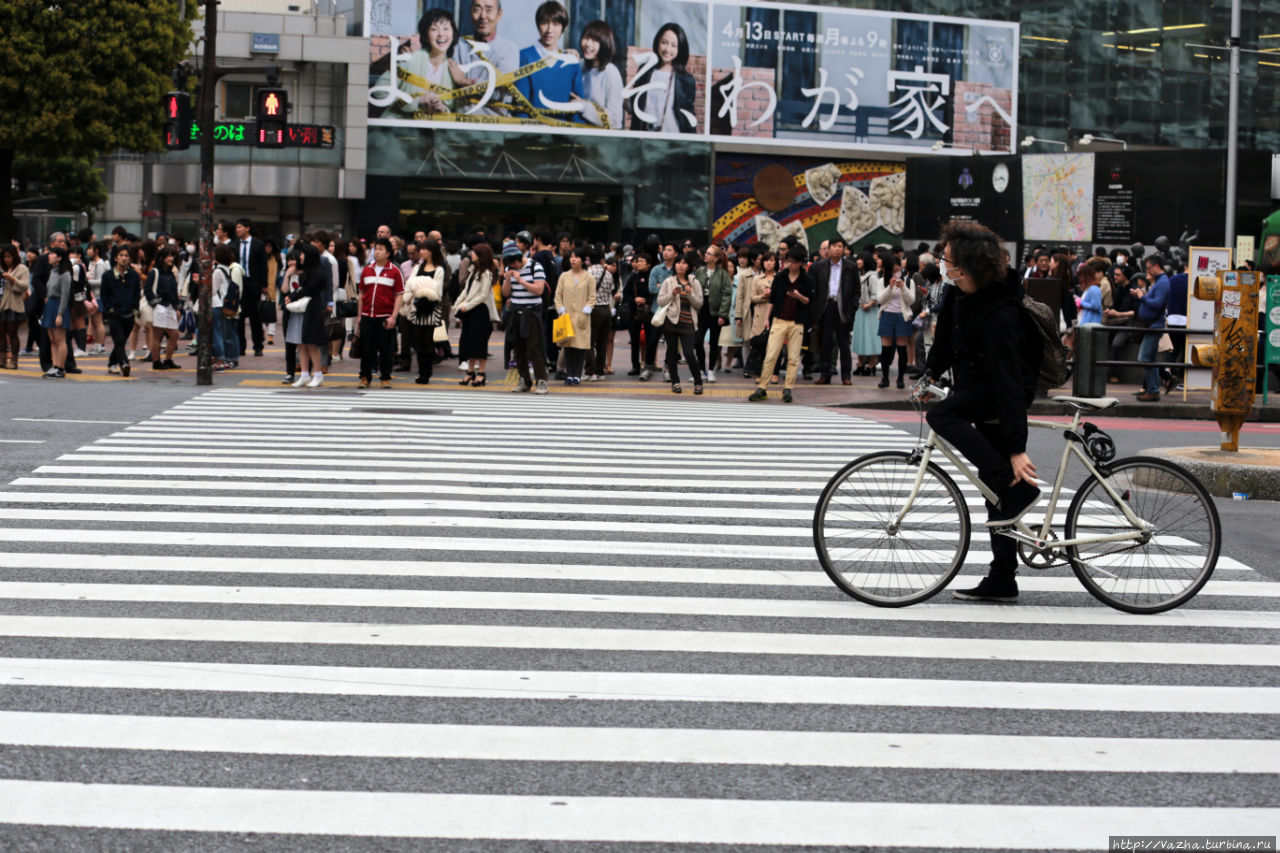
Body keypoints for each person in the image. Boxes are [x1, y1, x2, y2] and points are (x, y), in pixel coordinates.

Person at [924, 220, 1041, 603]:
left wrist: (1016, 447)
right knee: (995, 492)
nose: (944, 264)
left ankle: (1015, 482)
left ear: (970, 266)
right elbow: (945, 340)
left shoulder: (1000, 313)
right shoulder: (959, 294)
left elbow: (1009, 383)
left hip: (1001, 390)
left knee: (942, 416)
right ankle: (1003, 578)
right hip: (978, 385)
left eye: (950, 260)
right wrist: (928, 375)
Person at [372, 8, 473, 117]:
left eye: (446, 28)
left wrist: (442, 109)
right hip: (398, 129)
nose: (441, 34)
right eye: (434, 29)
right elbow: (379, 92)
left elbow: (455, 108)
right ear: (426, 34)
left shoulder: (453, 70)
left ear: (453, 34)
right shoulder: (409, 60)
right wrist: (416, 101)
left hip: (430, 131)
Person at [747, 246, 813, 403]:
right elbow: (773, 300)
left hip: (797, 323)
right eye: (788, 261)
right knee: (771, 355)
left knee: (793, 358)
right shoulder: (781, 277)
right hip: (778, 320)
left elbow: (809, 300)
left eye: (794, 262)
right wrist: (767, 319)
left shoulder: (806, 279)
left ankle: (788, 389)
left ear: (801, 263)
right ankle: (762, 388)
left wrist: (798, 296)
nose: (791, 264)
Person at [515, 1, 585, 121]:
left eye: (556, 24)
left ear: (564, 27)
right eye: (544, 23)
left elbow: (577, 108)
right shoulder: (524, 56)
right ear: (538, 25)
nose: (549, 29)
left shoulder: (571, 62)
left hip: (564, 133)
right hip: (532, 131)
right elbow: (520, 105)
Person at [627, 23, 696, 133]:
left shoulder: (685, 80)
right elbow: (635, 105)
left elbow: (688, 116)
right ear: (658, 42)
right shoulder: (645, 71)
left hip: (673, 140)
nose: (667, 49)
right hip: (645, 138)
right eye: (664, 43)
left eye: (674, 45)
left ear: (680, 49)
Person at [809, 236, 859, 385]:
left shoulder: (851, 267)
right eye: (834, 246)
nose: (837, 249)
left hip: (843, 307)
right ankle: (825, 374)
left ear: (843, 249)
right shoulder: (820, 266)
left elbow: (857, 290)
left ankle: (846, 376)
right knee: (825, 343)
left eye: (840, 246)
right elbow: (814, 290)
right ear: (828, 248)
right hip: (826, 307)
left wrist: (853, 307)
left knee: (844, 343)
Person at [356, 237, 404, 389]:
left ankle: (385, 377)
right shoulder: (367, 269)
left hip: (385, 316)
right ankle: (365, 377)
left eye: (380, 249)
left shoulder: (395, 271)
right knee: (366, 349)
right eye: (375, 249)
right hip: (367, 316)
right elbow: (361, 294)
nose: (376, 252)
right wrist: (359, 316)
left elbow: (399, 295)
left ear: (388, 253)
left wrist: (394, 316)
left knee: (386, 349)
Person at [501, 243, 549, 394]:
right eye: (509, 263)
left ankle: (541, 381)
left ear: (519, 258)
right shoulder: (509, 269)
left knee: (534, 347)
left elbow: (539, 290)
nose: (513, 265)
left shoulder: (536, 266)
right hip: (516, 311)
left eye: (514, 262)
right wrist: (508, 280)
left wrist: (521, 280)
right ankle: (524, 380)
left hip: (532, 312)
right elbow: (505, 293)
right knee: (518, 348)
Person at [656, 251, 704, 394]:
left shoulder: (694, 282)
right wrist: (672, 293)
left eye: (684, 263)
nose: (680, 266)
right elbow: (660, 301)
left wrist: (689, 294)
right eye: (678, 263)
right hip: (671, 321)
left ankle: (698, 381)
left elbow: (699, 304)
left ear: (689, 266)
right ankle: (675, 382)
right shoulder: (668, 281)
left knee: (689, 353)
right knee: (671, 352)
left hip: (688, 322)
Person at [401, 239, 447, 384]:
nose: (421, 252)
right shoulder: (418, 267)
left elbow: (437, 291)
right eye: (420, 249)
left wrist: (419, 289)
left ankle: (426, 373)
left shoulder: (439, 269)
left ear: (431, 250)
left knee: (428, 343)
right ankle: (422, 372)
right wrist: (424, 288)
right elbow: (409, 285)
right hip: (417, 308)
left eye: (424, 249)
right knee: (418, 343)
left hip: (431, 309)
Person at [284, 243, 329, 388]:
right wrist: (292, 295)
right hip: (303, 308)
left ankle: (317, 374)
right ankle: (304, 374)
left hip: (312, 309)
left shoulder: (317, 272)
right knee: (301, 343)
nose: (300, 257)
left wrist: (293, 296)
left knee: (311, 343)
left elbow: (308, 289)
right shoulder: (308, 271)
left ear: (309, 255)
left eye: (302, 254)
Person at [454, 241, 499, 386]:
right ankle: (470, 372)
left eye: (474, 252)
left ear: (481, 256)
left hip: (480, 311)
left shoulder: (486, 274)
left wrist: (466, 305)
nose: (471, 254)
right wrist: (457, 304)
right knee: (469, 341)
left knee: (479, 343)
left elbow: (483, 296)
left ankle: (481, 373)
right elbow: (466, 291)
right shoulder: (473, 271)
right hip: (471, 310)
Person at [554, 247, 594, 385]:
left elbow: (592, 297)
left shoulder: (589, 277)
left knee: (580, 347)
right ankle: (569, 373)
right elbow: (557, 296)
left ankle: (577, 374)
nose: (573, 259)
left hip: (582, 316)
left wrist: (586, 310)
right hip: (567, 316)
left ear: (582, 260)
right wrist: (561, 310)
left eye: (576, 257)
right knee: (568, 346)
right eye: (571, 257)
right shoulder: (564, 276)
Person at [1133, 255, 1170, 402]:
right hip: (1152, 324)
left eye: (1149, 268)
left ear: (1156, 267)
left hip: (1154, 326)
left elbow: (1157, 303)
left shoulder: (1162, 283)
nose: (1147, 271)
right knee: (1152, 358)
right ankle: (1152, 390)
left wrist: (1142, 296)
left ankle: (1153, 389)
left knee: (1144, 357)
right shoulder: (1160, 282)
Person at [876, 251, 916, 389]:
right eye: (893, 268)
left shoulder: (909, 281)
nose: (896, 270)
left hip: (902, 316)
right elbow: (880, 299)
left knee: (901, 349)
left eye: (898, 267)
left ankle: (900, 379)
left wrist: (903, 287)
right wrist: (890, 287)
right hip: (887, 315)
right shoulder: (882, 280)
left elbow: (911, 300)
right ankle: (885, 378)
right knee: (885, 349)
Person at [99, 244, 139, 378]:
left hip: (129, 313)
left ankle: (112, 363)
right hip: (114, 313)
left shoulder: (133, 275)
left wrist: (135, 309)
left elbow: (136, 294)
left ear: (129, 259)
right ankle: (124, 363)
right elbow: (104, 295)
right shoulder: (108, 276)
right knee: (120, 339)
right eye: (121, 255)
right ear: (115, 258)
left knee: (120, 342)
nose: (123, 258)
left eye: (126, 256)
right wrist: (109, 309)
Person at [577, 20, 623, 128]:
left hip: (604, 138)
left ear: (604, 43)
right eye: (586, 38)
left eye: (594, 40)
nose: (588, 44)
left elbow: (614, 119)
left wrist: (583, 106)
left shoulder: (611, 73)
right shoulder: (579, 66)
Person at [234, 218, 267, 358]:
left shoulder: (258, 245)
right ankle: (241, 346)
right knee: (239, 317)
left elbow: (262, 266)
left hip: (253, 284)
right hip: (238, 284)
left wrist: (264, 285)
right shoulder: (234, 244)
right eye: (236, 227)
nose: (237, 230)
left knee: (255, 317)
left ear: (247, 228)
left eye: (240, 227)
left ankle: (258, 346)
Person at [147, 246, 183, 371]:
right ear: (161, 258)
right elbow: (148, 289)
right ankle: (156, 361)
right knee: (158, 335)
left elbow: (173, 291)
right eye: (168, 256)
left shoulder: (171, 273)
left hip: (170, 306)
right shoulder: (154, 272)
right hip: (159, 306)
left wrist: (177, 307)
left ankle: (168, 359)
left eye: (172, 255)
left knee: (174, 334)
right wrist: (156, 303)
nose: (171, 258)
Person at [40, 246, 72, 378]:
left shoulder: (65, 274)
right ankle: (54, 365)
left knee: (60, 339)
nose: (49, 256)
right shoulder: (53, 271)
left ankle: (61, 367)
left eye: (52, 254)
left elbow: (65, 295)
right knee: (52, 339)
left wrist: (60, 314)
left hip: (59, 306)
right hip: (50, 305)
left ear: (59, 257)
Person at [702, 244, 732, 382]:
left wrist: (722, 314)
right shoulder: (699, 271)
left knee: (714, 343)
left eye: (710, 253)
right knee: (697, 342)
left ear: (717, 258)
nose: (706, 255)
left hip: (716, 311)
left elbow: (726, 295)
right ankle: (701, 370)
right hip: (701, 309)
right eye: (706, 252)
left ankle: (710, 370)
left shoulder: (722, 274)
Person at [585, 245, 616, 381]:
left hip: (593, 309)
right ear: (602, 260)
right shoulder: (608, 274)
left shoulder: (588, 273)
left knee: (589, 342)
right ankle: (599, 371)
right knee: (602, 343)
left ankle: (590, 371)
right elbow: (611, 290)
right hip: (606, 309)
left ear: (589, 260)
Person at [621, 251, 651, 375]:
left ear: (648, 264)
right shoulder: (633, 277)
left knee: (650, 339)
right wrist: (635, 299)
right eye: (637, 261)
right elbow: (625, 294)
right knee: (634, 340)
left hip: (649, 311)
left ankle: (648, 365)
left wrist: (645, 300)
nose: (638, 263)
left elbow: (655, 293)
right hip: (634, 312)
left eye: (641, 261)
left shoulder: (651, 276)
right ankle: (635, 366)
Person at [0, 245, 30, 369]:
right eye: (4, 257)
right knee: (1, 333)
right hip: (1, 303)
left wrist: (12, 278)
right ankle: (2, 360)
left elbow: (24, 285)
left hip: (13, 304)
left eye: (9, 256)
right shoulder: (2, 268)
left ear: (14, 256)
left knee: (12, 333)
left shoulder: (21, 268)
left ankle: (14, 360)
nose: (7, 259)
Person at [852, 251, 882, 376]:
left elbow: (877, 296)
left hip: (870, 311)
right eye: (858, 259)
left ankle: (871, 365)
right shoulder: (858, 276)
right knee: (860, 338)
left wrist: (869, 304)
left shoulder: (872, 277)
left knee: (872, 339)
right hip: (860, 310)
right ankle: (860, 364)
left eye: (861, 259)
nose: (858, 261)